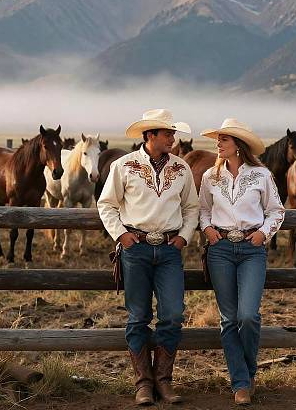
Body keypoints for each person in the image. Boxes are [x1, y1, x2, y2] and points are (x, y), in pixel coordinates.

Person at [97, 109, 199, 405]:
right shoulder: (124, 166)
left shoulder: (181, 168)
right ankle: (143, 383)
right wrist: (121, 234)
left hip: (169, 250)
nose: (173, 138)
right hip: (135, 248)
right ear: (150, 135)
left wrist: (184, 238)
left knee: (173, 315)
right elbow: (107, 204)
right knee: (138, 316)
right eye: (167, 133)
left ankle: (163, 381)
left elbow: (191, 208)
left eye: (173, 133)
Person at [199, 118, 285, 405]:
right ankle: (241, 384)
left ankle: (245, 375)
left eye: (224, 139)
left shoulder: (261, 175)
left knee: (248, 316)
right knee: (228, 319)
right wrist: (208, 230)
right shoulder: (210, 177)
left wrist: (263, 233)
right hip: (220, 250)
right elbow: (202, 211)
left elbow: (276, 211)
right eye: (218, 139)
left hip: (252, 249)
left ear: (239, 145)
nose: (218, 144)